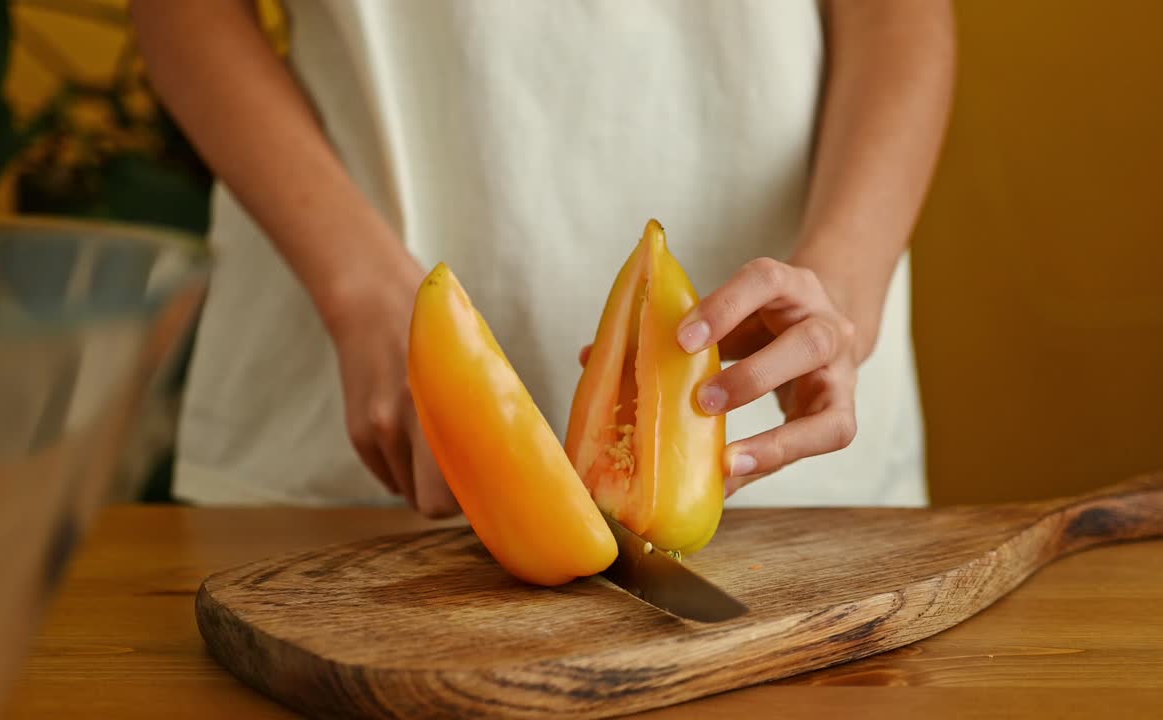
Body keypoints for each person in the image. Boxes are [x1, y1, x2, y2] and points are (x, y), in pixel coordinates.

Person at [131, 1, 955, 517]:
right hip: (342, 448)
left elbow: (897, 16)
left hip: (794, 475)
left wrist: (842, 289)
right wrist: (356, 290)